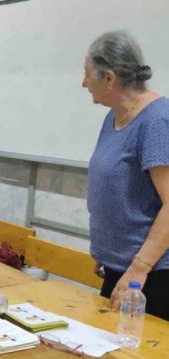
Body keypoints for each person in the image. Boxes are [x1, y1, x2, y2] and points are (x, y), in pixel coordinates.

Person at [83, 30, 169, 320]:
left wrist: (138, 268)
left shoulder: (157, 120)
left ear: (109, 77)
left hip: (149, 278)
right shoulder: (114, 115)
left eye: (87, 74)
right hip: (119, 267)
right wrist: (106, 250)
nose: (83, 83)